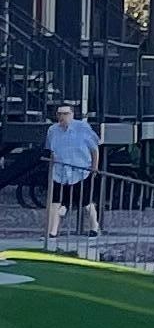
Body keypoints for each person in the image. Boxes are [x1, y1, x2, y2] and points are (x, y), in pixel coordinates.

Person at [44, 99, 100, 243]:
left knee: (86, 202)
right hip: (60, 172)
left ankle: (94, 227)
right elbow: (51, 151)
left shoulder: (82, 128)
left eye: (66, 113)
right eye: (60, 114)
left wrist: (94, 167)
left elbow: (94, 149)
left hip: (80, 171)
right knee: (56, 202)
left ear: (72, 114)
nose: (63, 117)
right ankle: (53, 231)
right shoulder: (53, 130)